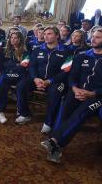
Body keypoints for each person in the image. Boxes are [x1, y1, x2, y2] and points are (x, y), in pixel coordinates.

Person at [41, 29, 102, 163]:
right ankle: (55, 144)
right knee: (64, 109)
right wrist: (74, 89)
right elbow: (72, 76)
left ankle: (54, 141)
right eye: (93, 37)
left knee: (81, 112)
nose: (93, 39)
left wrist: (92, 93)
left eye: (97, 37)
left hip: (97, 96)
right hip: (76, 91)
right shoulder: (82, 55)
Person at [29, 26, 72, 130]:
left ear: (57, 36)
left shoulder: (66, 51)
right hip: (38, 80)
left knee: (55, 93)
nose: (46, 36)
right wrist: (35, 78)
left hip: (57, 81)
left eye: (49, 34)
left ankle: (48, 122)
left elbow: (66, 71)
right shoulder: (38, 49)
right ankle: (24, 113)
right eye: (44, 34)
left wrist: (49, 81)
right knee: (21, 85)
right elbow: (32, 66)